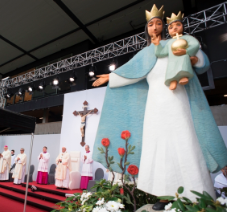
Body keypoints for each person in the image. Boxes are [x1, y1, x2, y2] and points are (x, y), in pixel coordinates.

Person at [91, 4, 227, 210]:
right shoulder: (146, 53)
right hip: (155, 108)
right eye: (151, 24)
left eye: (158, 24)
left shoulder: (175, 43)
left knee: (186, 142)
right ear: (147, 29)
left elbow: (201, 63)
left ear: (164, 26)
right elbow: (130, 72)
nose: (154, 27)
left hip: (179, 101)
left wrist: (193, 56)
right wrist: (110, 76)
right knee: (159, 148)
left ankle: (198, 193)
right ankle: (164, 195)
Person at [155, 11, 199, 90]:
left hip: (183, 56)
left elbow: (195, 45)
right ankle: (173, 80)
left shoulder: (187, 38)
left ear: (182, 26)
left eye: (178, 25)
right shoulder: (169, 42)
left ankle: (183, 76)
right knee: (171, 65)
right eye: (171, 27)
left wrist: (186, 51)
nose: (174, 28)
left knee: (184, 60)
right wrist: (157, 45)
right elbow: (161, 53)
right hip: (173, 59)